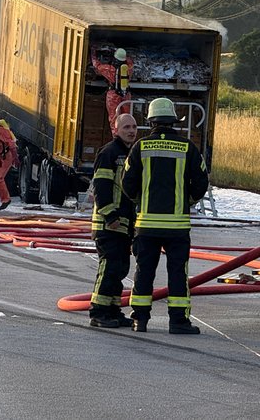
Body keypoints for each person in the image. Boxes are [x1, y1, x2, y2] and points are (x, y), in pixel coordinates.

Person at [122, 98, 209, 334]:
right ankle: (178, 321)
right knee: (178, 273)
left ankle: (139, 320)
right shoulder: (187, 147)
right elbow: (202, 182)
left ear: (150, 121)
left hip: (147, 225)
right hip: (177, 226)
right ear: (173, 121)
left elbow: (127, 183)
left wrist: (141, 201)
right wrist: (187, 201)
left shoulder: (140, 147)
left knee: (144, 271)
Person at [88, 113, 138, 328]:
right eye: (126, 127)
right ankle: (98, 312)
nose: (131, 131)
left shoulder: (132, 154)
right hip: (109, 223)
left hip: (124, 224)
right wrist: (110, 215)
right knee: (108, 268)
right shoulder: (109, 152)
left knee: (120, 269)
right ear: (116, 130)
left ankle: (113, 310)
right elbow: (101, 186)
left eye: (134, 127)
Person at [92, 47, 133, 136]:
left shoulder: (109, 69)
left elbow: (97, 66)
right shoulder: (129, 68)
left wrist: (93, 54)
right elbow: (130, 60)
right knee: (127, 117)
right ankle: (127, 136)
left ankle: (116, 136)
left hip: (113, 95)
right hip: (126, 94)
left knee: (114, 118)